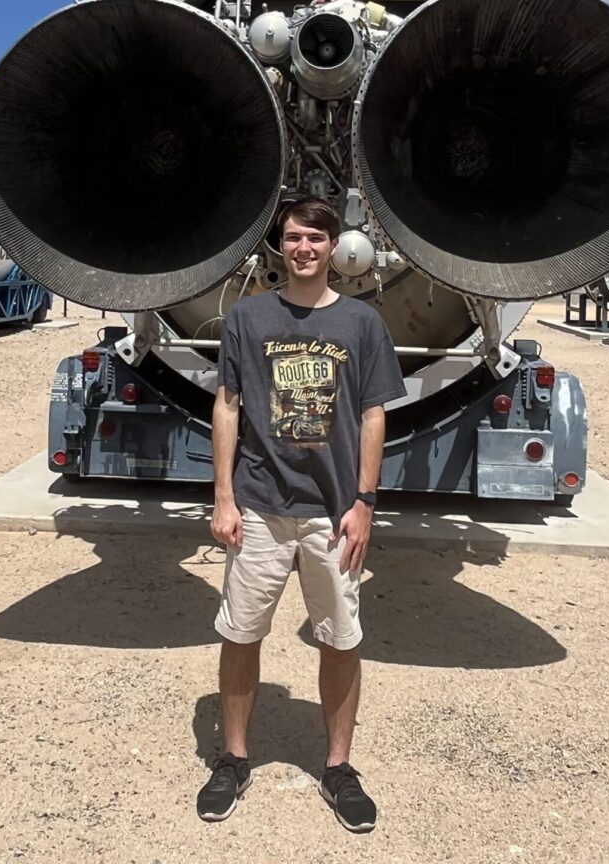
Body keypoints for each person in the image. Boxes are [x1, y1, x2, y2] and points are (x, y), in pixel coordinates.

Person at [197, 196, 406, 833]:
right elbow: (228, 407)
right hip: (259, 506)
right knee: (240, 633)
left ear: (334, 246)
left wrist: (365, 503)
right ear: (279, 247)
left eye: (315, 237)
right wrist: (224, 497)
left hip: (333, 512)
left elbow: (375, 413)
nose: (304, 248)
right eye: (293, 238)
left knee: (340, 640)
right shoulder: (248, 318)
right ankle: (233, 758)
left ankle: (339, 769)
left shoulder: (362, 324)